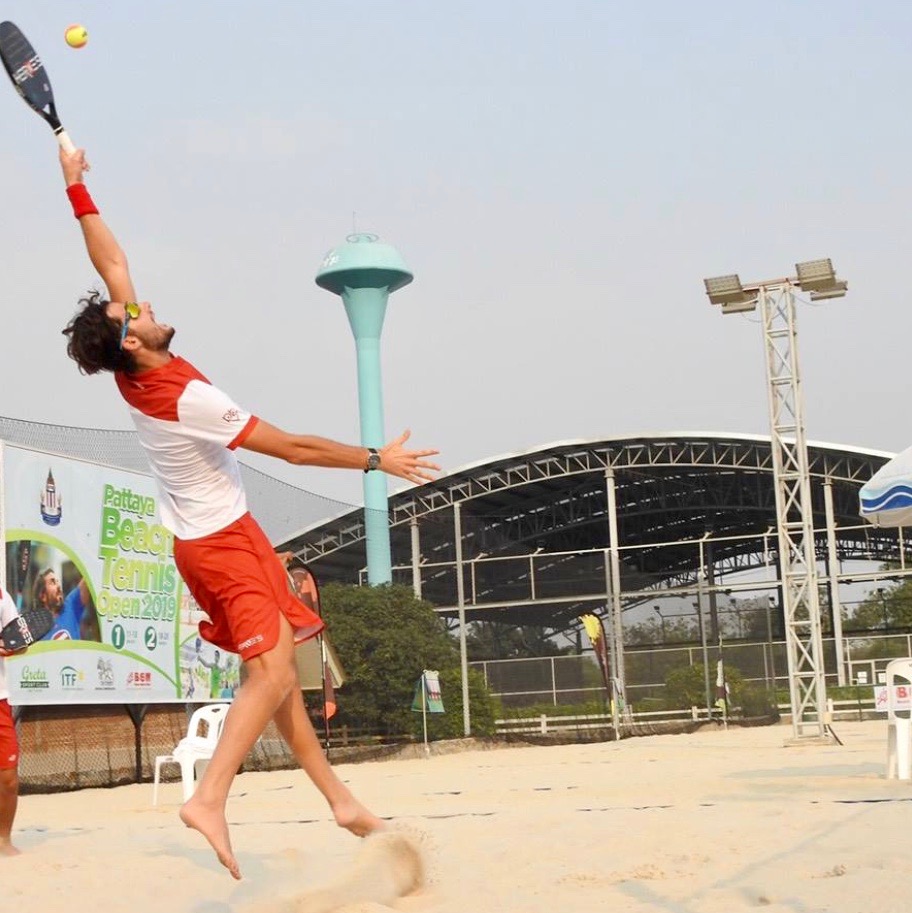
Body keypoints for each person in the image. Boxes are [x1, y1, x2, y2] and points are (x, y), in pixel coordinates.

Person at [56, 147, 440, 880]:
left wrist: (75, 182)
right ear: (132, 344)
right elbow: (291, 447)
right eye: (136, 315)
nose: (146, 307)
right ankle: (209, 796)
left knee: (283, 676)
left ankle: (339, 799)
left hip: (228, 538)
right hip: (220, 547)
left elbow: (113, 264)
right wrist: (374, 460)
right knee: (267, 677)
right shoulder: (183, 397)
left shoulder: (136, 359)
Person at [0, 585, 29, 856]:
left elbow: (20, 642)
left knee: (8, 779)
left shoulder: (1, 595)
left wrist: (10, 648)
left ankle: (4, 840)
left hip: (0, 701)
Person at [33, 571, 98, 642]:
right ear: (43, 596)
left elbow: (89, 576)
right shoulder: (36, 632)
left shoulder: (71, 606)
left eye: (58, 582)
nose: (58, 586)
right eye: (53, 582)